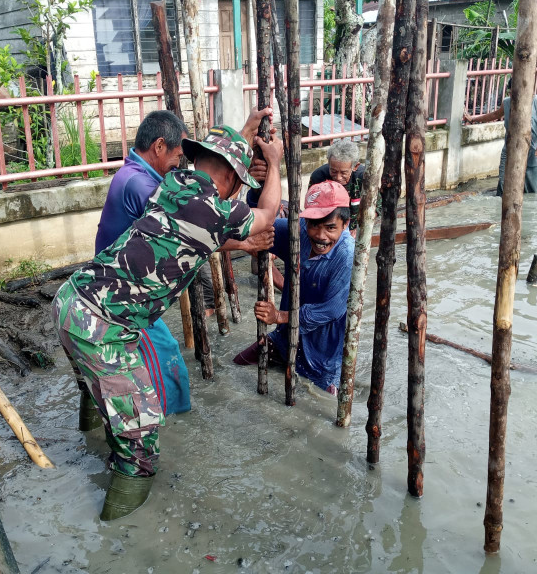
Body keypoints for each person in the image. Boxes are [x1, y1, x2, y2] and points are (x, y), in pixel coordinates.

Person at [52, 124, 283, 520]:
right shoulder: (216, 209)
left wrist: (240, 239)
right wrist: (275, 163)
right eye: (237, 184)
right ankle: (119, 537)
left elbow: (192, 234)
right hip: (102, 328)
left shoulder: (171, 184)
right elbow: (268, 213)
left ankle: (92, 440)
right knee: (141, 444)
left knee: (97, 389)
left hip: (71, 301)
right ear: (229, 178)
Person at [93, 109, 272, 417]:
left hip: (110, 288)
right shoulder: (141, 184)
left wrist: (243, 133)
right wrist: (245, 242)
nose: (180, 165)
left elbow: (211, 184)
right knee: (169, 361)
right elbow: (197, 225)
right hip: (123, 299)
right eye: (177, 155)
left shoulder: (146, 178)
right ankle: (177, 425)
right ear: (159, 146)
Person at [233, 180, 355, 396]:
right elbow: (257, 227)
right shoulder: (297, 231)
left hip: (322, 352)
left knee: (320, 403)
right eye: (314, 225)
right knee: (238, 363)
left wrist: (279, 316)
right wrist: (258, 186)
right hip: (286, 337)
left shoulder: (346, 255)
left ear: (345, 225)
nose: (320, 235)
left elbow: (332, 310)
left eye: (330, 227)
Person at [463, 79, 537, 196]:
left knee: (528, 189)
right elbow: (495, 114)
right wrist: (473, 119)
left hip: (532, 151)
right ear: (510, 93)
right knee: (503, 184)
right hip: (509, 149)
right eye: (512, 93)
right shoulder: (507, 102)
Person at [307, 138, 366, 233]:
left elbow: (377, 206)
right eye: (333, 171)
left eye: (344, 173)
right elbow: (311, 207)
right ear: (329, 163)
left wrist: (359, 227)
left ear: (355, 167)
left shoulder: (364, 177)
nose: (338, 178)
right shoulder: (318, 176)